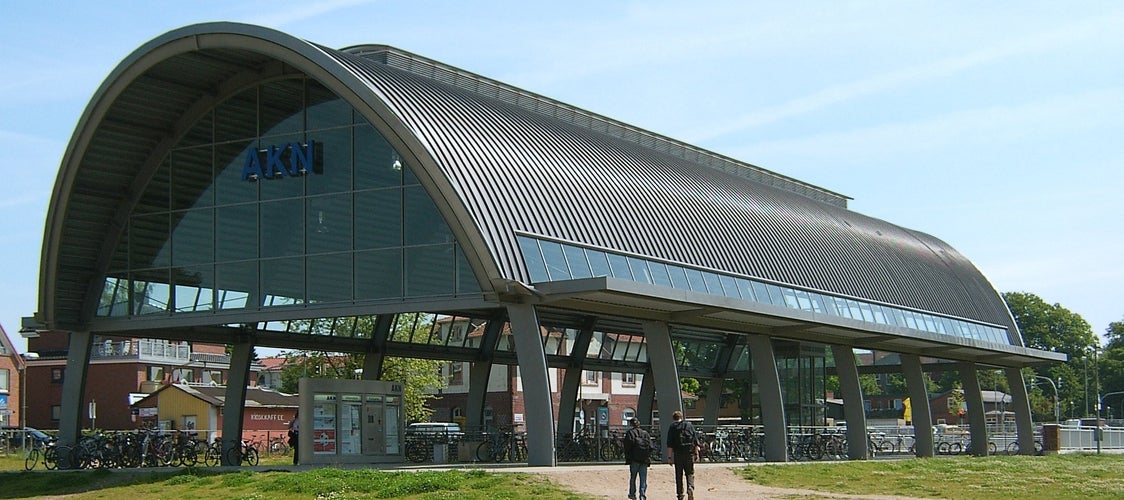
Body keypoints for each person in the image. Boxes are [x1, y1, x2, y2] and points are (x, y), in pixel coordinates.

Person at [665, 410, 699, 500]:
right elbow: (695, 441)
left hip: (678, 454)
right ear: (682, 417)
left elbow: (669, 444)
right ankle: (690, 487)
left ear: (673, 418)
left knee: (678, 475)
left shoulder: (672, 427)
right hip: (689, 453)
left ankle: (680, 494)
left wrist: (669, 457)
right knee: (690, 473)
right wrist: (696, 454)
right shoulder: (689, 425)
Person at [622, 417, 652, 500]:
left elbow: (627, 447)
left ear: (631, 424)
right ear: (639, 423)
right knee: (643, 478)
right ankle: (642, 495)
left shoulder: (630, 433)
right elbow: (651, 446)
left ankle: (632, 494)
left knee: (633, 477)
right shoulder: (645, 433)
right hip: (644, 459)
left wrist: (628, 457)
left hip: (634, 459)